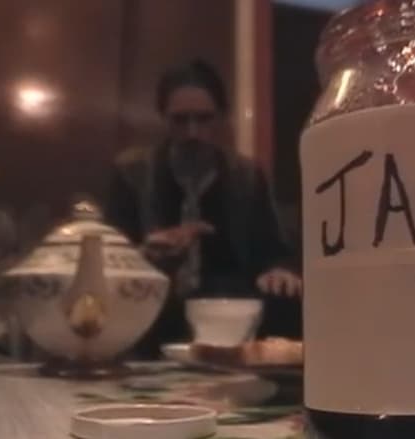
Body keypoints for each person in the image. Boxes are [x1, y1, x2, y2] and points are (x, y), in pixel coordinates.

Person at [107, 60, 301, 349]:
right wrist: (144, 256)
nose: (193, 133)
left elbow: (273, 249)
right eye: (180, 120)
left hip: (229, 308)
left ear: (221, 118)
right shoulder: (132, 173)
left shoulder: (246, 175)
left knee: (286, 301)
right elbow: (109, 259)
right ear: (164, 118)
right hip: (155, 309)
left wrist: (280, 271)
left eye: (204, 119)